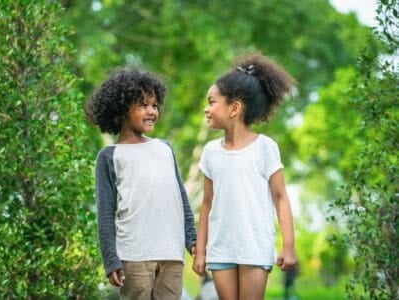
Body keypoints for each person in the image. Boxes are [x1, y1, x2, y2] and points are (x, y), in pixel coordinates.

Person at [85, 67, 197, 300]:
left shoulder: (165, 148)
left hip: (171, 253)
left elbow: (181, 199)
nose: (152, 111)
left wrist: (192, 239)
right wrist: (110, 259)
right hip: (134, 255)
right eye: (143, 104)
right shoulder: (109, 156)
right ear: (122, 108)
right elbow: (105, 214)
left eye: (155, 105)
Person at [192, 53, 298, 299]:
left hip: (254, 246)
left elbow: (281, 198)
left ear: (234, 108)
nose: (206, 109)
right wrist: (200, 251)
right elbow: (206, 204)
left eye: (211, 102)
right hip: (220, 249)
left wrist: (289, 246)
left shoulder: (265, 148)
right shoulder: (210, 152)